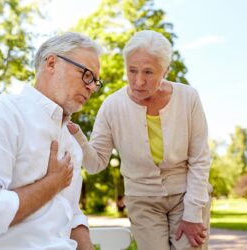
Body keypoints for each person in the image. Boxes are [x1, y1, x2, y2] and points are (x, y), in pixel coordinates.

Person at [0, 32, 103, 250]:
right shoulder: (1, 113)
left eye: (96, 81)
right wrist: (52, 183)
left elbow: (70, 212)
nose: (92, 87)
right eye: (86, 75)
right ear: (51, 63)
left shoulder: (71, 143)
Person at [67, 30, 211, 250]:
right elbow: (95, 164)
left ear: (166, 70)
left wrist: (193, 213)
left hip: (187, 195)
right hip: (142, 200)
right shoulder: (113, 106)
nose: (139, 81)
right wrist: (77, 135)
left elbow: (200, 160)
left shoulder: (188, 98)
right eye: (132, 70)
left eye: (149, 72)